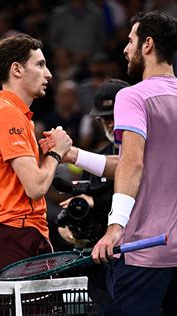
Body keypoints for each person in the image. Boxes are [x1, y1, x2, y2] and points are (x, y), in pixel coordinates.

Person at [42, 11, 177, 315]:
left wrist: (114, 228)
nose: (125, 48)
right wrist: (73, 155)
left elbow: (132, 163)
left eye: (131, 41)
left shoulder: (131, 97)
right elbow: (132, 161)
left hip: (145, 251)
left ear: (147, 45)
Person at [0, 34, 72, 280]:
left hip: (14, 236)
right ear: (16, 69)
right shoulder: (8, 115)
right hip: (15, 236)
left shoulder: (14, 116)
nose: (48, 74)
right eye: (39, 64)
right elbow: (36, 186)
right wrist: (55, 152)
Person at [56, 79, 129, 249]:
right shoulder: (95, 160)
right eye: (104, 118)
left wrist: (96, 203)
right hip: (100, 252)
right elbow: (83, 203)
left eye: (114, 116)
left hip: (138, 250)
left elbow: (144, 200)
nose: (110, 123)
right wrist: (71, 224)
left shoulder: (153, 154)